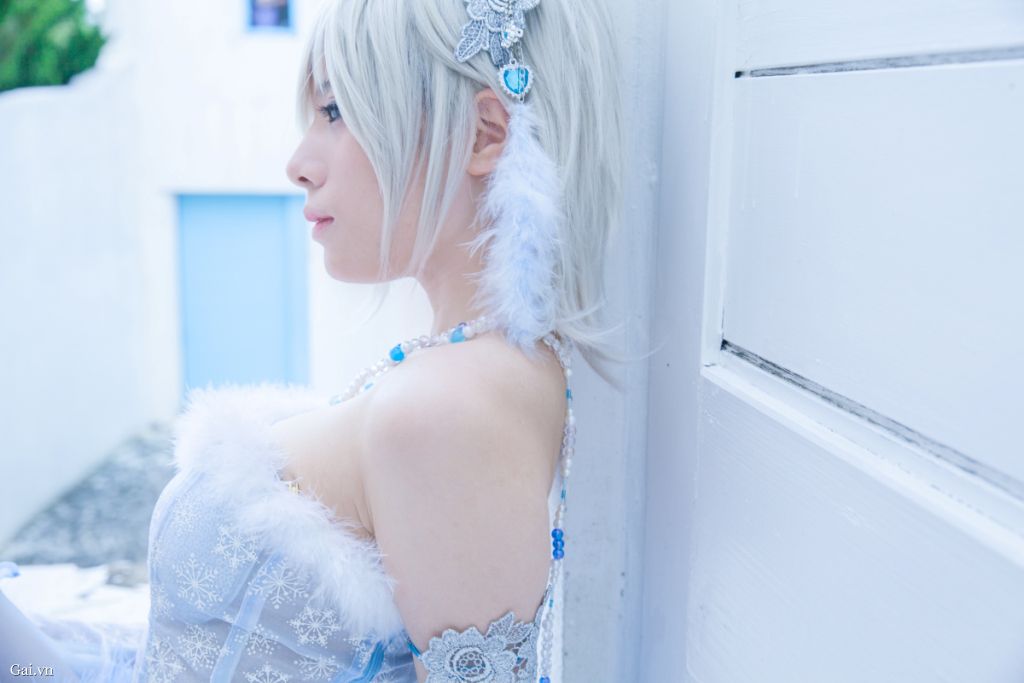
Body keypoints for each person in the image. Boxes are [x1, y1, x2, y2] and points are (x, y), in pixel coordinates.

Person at [0, 0, 630, 680]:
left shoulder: (450, 405)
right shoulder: (462, 369)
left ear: (483, 135)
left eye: (335, 112)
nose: (299, 164)